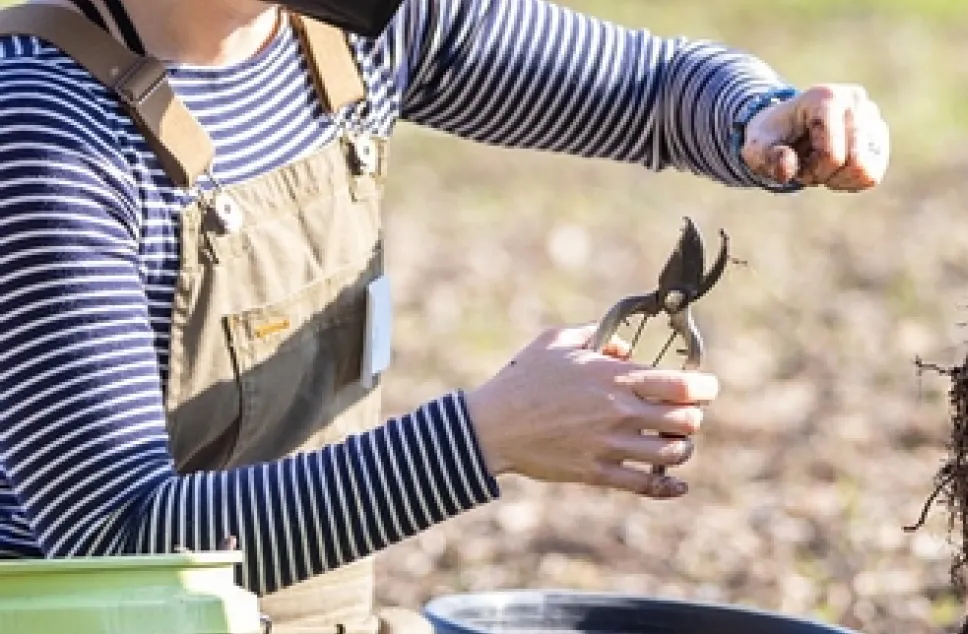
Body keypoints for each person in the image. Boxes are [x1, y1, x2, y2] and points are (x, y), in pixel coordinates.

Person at [0, 0, 888, 631]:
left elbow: (645, 87)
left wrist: (763, 116)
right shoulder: (44, 132)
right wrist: (483, 437)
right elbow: (121, 545)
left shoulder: (358, 29)